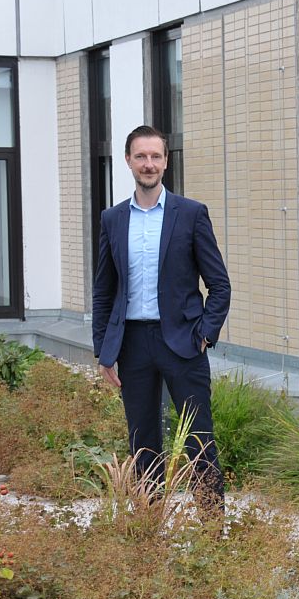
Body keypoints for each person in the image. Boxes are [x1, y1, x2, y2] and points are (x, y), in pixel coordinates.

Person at [91, 125, 232, 504]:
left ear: (166, 162)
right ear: (128, 161)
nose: (148, 164)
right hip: (132, 346)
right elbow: (104, 290)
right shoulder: (113, 219)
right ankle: (150, 529)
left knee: (198, 440)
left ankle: (209, 533)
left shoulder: (191, 214)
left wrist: (204, 334)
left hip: (183, 344)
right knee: (143, 443)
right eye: (141, 156)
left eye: (155, 156)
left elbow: (219, 285)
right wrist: (103, 350)